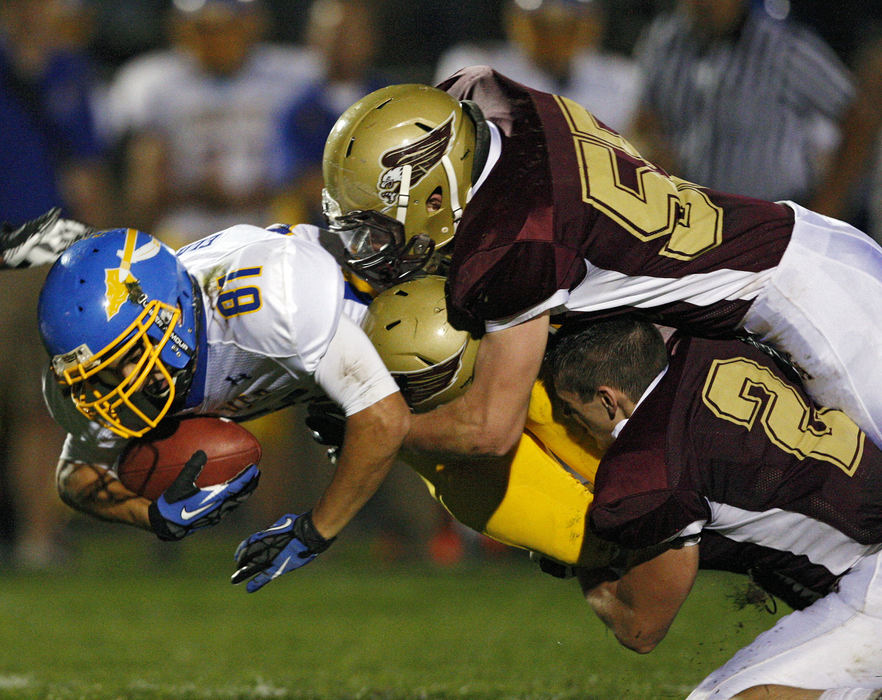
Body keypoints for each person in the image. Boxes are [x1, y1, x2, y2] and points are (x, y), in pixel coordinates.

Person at [319, 65, 882, 463]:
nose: (372, 245)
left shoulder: (514, 243)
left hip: (818, 305)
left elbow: (490, 429)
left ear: (437, 194)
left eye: (376, 223)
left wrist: (380, 425)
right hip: (801, 246)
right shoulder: (480, 92)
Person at [37, 224, 410, 592]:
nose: (126, 382)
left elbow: (385, 419)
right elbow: (76, 474)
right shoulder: (109, 377)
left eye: (133, 355)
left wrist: (314, 530)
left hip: (398, 315)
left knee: (460, 430)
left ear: (172, 315)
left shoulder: (268, 298)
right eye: (104, 372)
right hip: (342, 373)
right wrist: (154, 518)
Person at [545, 317, 882, 699]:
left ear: (608, 400)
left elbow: (640, 628)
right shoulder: (711, 345)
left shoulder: (648, 466)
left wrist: (582, 561)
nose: (570, 425)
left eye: (572, 411)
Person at [103, 0, 319, 245]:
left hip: (273, 218)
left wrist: (280, 188)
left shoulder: (296, 73)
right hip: (187, 222)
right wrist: (191, 192)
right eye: (203, 28)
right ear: (180, 28)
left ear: (252, 24)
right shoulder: (150, 81)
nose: (216, 39)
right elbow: (144, 186)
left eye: (226, 27)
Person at [629, 0, 855, 205]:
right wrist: (655, 147)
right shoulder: (663, 41)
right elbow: (646, 116)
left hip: (771, 219)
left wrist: (829, 205)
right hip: (691, 217)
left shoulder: (785, 48)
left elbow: (858, 115)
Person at [433, 0, 639, 134]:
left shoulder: (622, 77)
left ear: (593, 23)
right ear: (513, 19)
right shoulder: (472, 68)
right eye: (542, 23)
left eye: (568, 23)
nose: (554, 33)